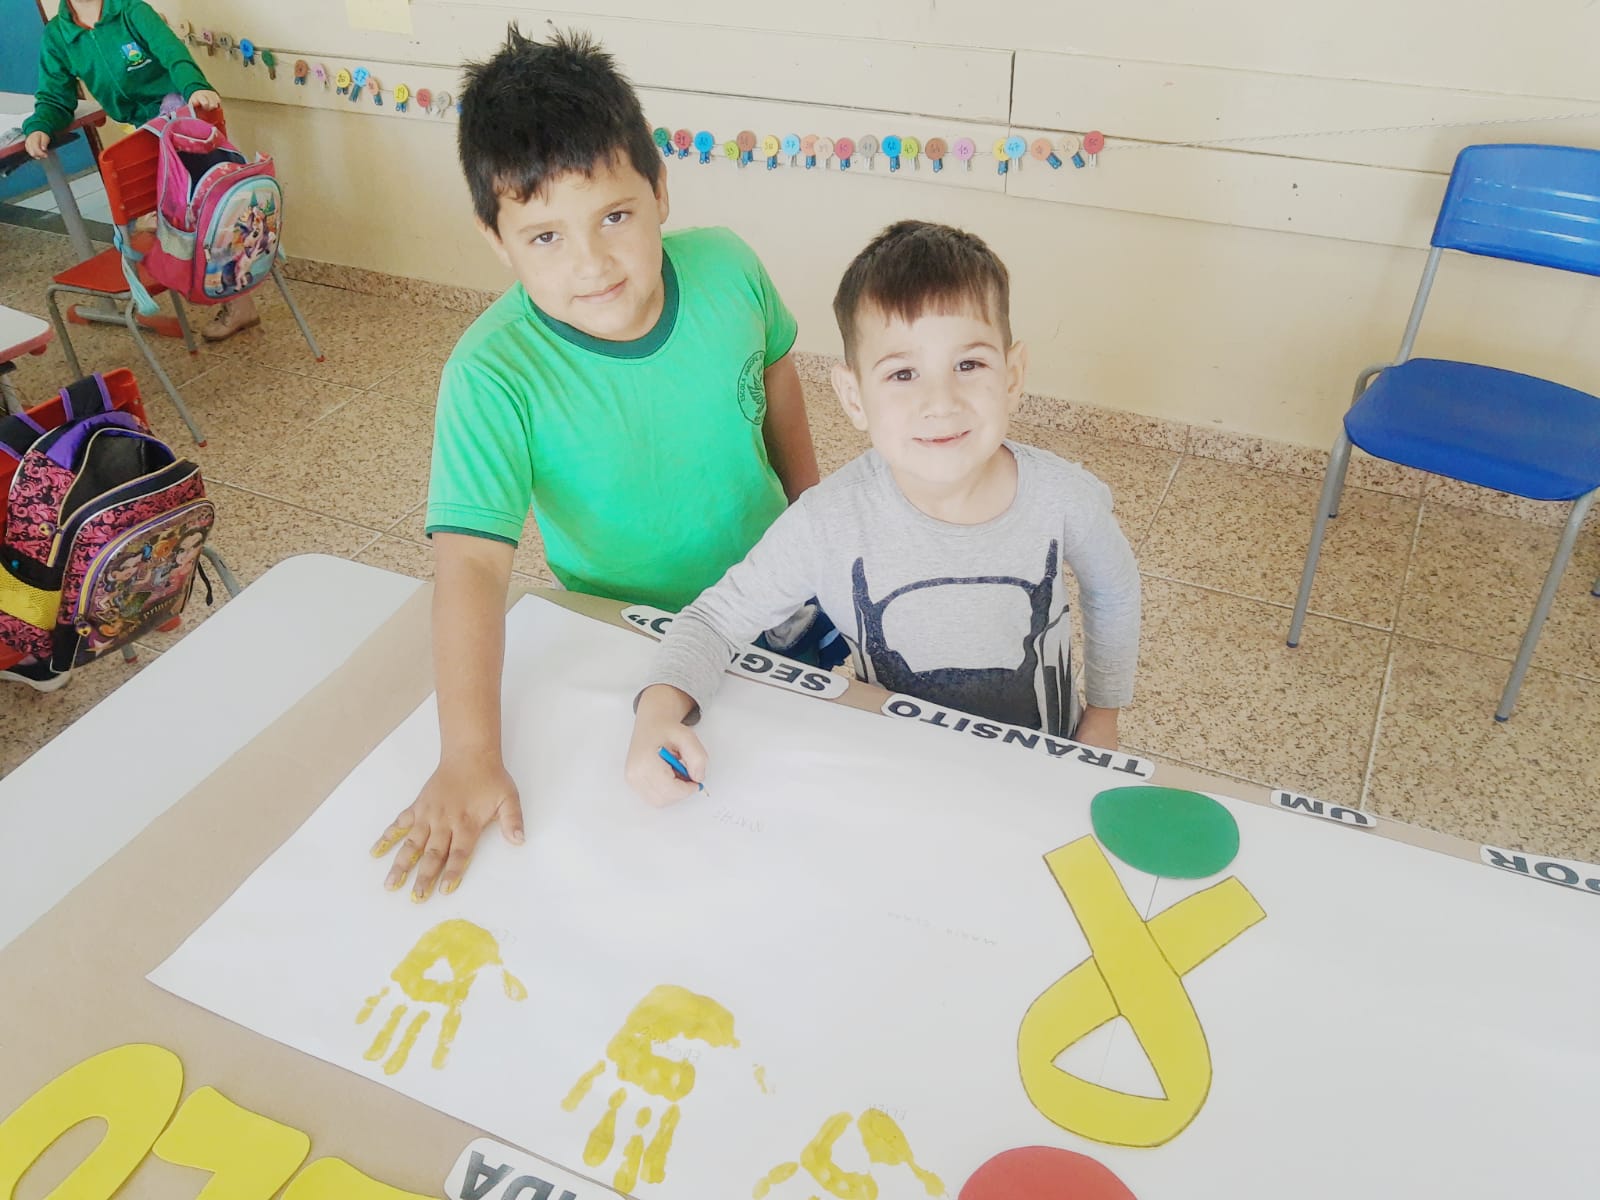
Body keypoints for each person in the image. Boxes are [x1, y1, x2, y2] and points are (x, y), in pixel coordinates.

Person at [370, 27, 822, 899]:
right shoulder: (492, 374)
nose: (592, 263)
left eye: (615, 216)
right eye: (545, 237)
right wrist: (469, 754)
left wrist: (816, 519)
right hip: (631, 638)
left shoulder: (730, 268)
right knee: (672, 855)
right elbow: (470, 566)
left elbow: (777, 376)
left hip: (780, 592)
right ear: (496, 239)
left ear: (659, 190)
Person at [625, 220, 1142, 806]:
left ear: (1013, 375)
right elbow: (715, 620)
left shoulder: (1064, 497)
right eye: (903, 374)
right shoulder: (828, 522)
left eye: (969, 365)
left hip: (1041, 770)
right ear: (853, 398)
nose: (940, 402)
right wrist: (658, 711)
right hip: (900, 777)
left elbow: (1114, 590)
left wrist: (1103, 714)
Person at [20, 0, 256, 341]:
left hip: (179, 119)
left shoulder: (130, 10)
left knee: (203, 213)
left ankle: (234, 297)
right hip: (142, 132)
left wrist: (195, 86)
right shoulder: (59, 34)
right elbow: (55, 97)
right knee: (188, 217)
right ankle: (227, 293)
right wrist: (40, 125)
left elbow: (173, 55)